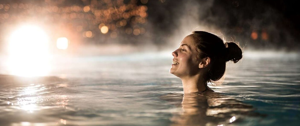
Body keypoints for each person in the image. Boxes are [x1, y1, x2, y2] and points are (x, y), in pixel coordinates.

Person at [170, 31, 242, 94]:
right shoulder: (175, 99)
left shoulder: (217, 103)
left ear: (204, 62)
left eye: (183, 49)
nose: (173, 53)